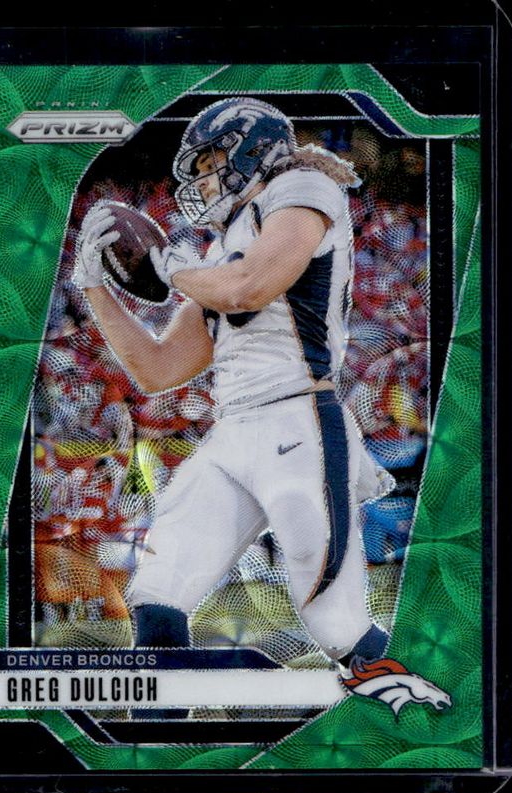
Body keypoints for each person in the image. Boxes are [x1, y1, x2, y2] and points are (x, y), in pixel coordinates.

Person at [72, 97, 394, 673]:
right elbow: (157, 369)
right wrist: (94, 287)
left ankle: (436, 701)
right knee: (159, 586)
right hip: (233, 431)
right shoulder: (221, 247)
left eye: (208, 163)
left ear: (250, 150)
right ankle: (160, 728)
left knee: (335, 626)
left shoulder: (302, 189)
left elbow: (249, 288)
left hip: (298, 421)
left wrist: (174, 268)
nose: (201, 181)